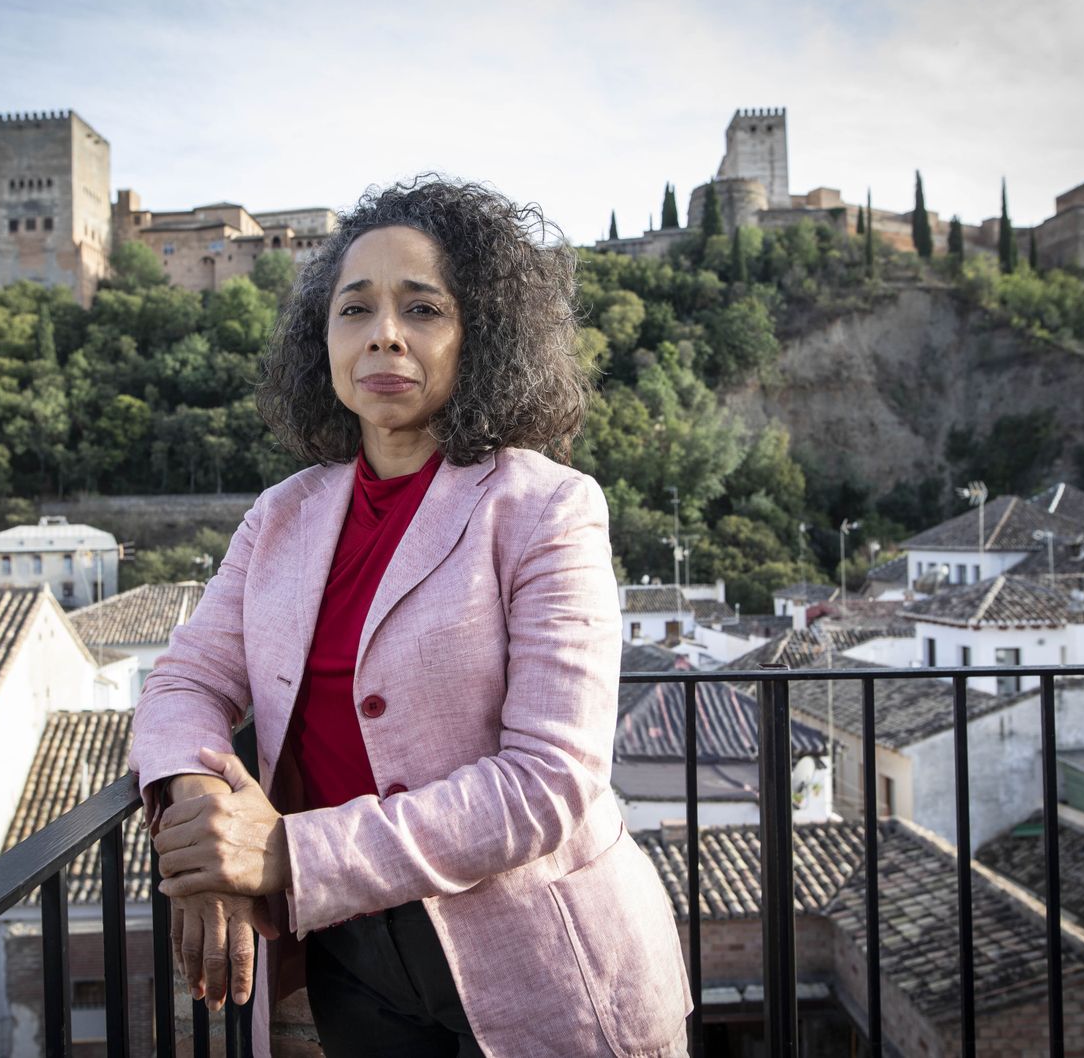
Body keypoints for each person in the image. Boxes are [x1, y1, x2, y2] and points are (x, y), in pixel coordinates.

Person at [131, 177, 691, 1058]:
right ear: (325, 341)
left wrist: (286, 857)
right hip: (352, 960)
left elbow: (550, 780)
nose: (384, 332)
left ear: (479, 337)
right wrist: (204, 815)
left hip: (544, 959)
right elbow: (185, 678)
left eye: (422, 307)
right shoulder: (280, 516)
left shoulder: (547, 508)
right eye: (356, 309)